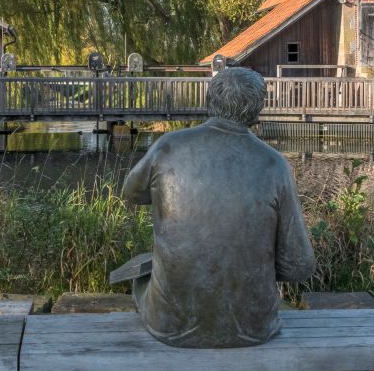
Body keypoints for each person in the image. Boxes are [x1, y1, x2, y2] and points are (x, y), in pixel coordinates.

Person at [122, 67, 316, 348]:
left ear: (209, 102)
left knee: (143, 279)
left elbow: (132, 194)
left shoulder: (167, 147)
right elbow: (300, 266)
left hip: (169, 327)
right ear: (256, 111)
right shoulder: (275, 165)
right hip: (254, 328)